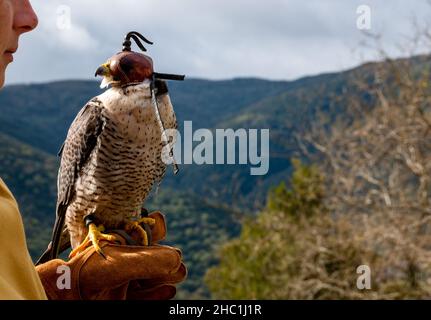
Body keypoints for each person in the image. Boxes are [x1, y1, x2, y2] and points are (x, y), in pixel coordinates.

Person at [0, 0, 186, 300]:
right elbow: (74, 191)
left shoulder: (164, 115)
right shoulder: (97, 113)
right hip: (82, 213)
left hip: (126, 207)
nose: (30, 18)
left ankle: (127, 220)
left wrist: (61, 289)